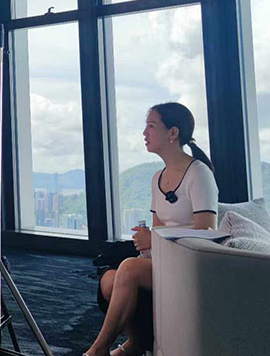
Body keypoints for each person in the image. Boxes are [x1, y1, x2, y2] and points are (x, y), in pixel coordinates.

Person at [84, 102, 218, 356]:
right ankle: (136, 343)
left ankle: (98, 350)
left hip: (190, 263)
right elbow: (158, 230)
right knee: (109, 280)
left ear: (173, 133)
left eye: (151, 126)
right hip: (164, 260)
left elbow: (207, 232)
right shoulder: (158, 177)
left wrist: (154, 240)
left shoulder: (199, 174)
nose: (144, 133)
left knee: (129, 269)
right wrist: (147, 244)